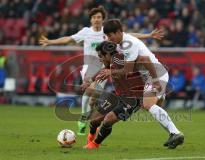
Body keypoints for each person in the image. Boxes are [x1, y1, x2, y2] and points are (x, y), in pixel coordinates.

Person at [39, 6, 165, 135]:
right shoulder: (86, 32)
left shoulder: (106, 34)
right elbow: (68, 39)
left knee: (94, 98)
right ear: (91, 20)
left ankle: (94, 117)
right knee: (90, 89)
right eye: (94, 17)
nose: (96, 19)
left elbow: (128, 35)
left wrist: (148, 35)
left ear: (102, 19)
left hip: (104, 67)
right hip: (89, 67)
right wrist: (50, 41)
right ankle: (83, 117)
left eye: (99, 17)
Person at [89, 19, 184, 149]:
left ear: (118, 32)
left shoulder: (129, 44)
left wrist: (155, 80)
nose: (109, 39)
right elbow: (132, 34)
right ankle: (173, 134)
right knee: (152, 108)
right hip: (150, 75)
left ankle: (176, 133)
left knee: (148, 104)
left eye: (110, 35)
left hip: (155, 74)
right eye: (107, 36)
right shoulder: (122, 40)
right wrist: (148, 36)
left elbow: (132, 67)